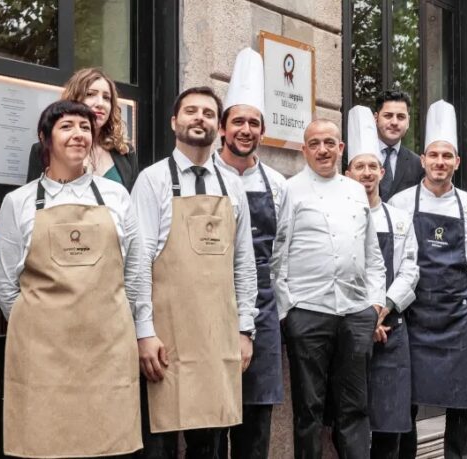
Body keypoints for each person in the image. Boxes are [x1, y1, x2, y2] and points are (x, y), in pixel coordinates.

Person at [0, 100, 142, 458]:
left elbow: (134, 272)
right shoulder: (19, 202)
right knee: (46, 448)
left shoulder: (117, 197)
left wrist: (117, 322)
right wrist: (41, 328)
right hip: (43, 358)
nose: (79, 135)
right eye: (67, 127)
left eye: (85, 128)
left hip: (108, 351)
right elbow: (5, 285)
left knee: (108, 448)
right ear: (45, 138)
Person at [130, 86, 258, 458]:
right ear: (174, 122)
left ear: (218, 127)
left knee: (210, 446)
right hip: (164, 338)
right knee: (160, 444)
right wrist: (143, 332)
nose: (198, 118)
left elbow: (243, 264)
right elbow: (138, 264)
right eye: (190, 111)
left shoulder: (232, 185)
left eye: (206, 113)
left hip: (217, 336)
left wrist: (245, 329)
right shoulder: (152, 181)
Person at [272, 118, 387, 459]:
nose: (323, 150)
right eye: (315, 143)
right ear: (304, 149)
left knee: (354, 407)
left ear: (341, 148)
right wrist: (287, 312)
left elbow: (372, 254)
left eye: (329, 143)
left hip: (355, 314)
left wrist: (374, 305)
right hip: (307, 312)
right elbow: (278, 257)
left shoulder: (355, 190)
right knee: (309, 409)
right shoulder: (290, 190)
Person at [389, 100, 467, 459]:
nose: (440, 162)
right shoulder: (400, 202)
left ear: (456, 162)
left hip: (457, 315)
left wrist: (452, 290)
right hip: (415, 313)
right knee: (408, 397)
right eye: (434, 155)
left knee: (459, 401)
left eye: (447, 156)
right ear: (424, 160)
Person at [212, 48, 286, 459]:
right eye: (237, 121)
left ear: (263, 130)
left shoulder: (277, 184)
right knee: (212, 418)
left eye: (253, 122)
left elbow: (282, 254)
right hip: (211, 308)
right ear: (223, 128)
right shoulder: (204, 176)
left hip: (262, 310)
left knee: (256, 422)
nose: (245, 129)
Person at [344, 106, 420, 459]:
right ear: (349, 172)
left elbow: (410, 271)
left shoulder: (401, 219)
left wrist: (383, 310)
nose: (367, 173)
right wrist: (364, 318)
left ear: (382, 172)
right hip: (350, 327)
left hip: (392, 328)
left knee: (390, 419)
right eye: (360, 166)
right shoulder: (339, 216)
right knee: (351, 418)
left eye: (373, 166)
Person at [26, 68, 139, 191]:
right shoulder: (45, 149)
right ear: (74, 99)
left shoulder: (125, 152)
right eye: (90, 94)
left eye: (106, 98)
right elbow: (33, 200)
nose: (100, 103)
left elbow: (132, 206)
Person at [374, 90, 423, 202]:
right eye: (388, 116)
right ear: (376, 118)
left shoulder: (417, 164)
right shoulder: (357, 158)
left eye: (401, 117)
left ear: (408, 121)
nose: (394, 122)